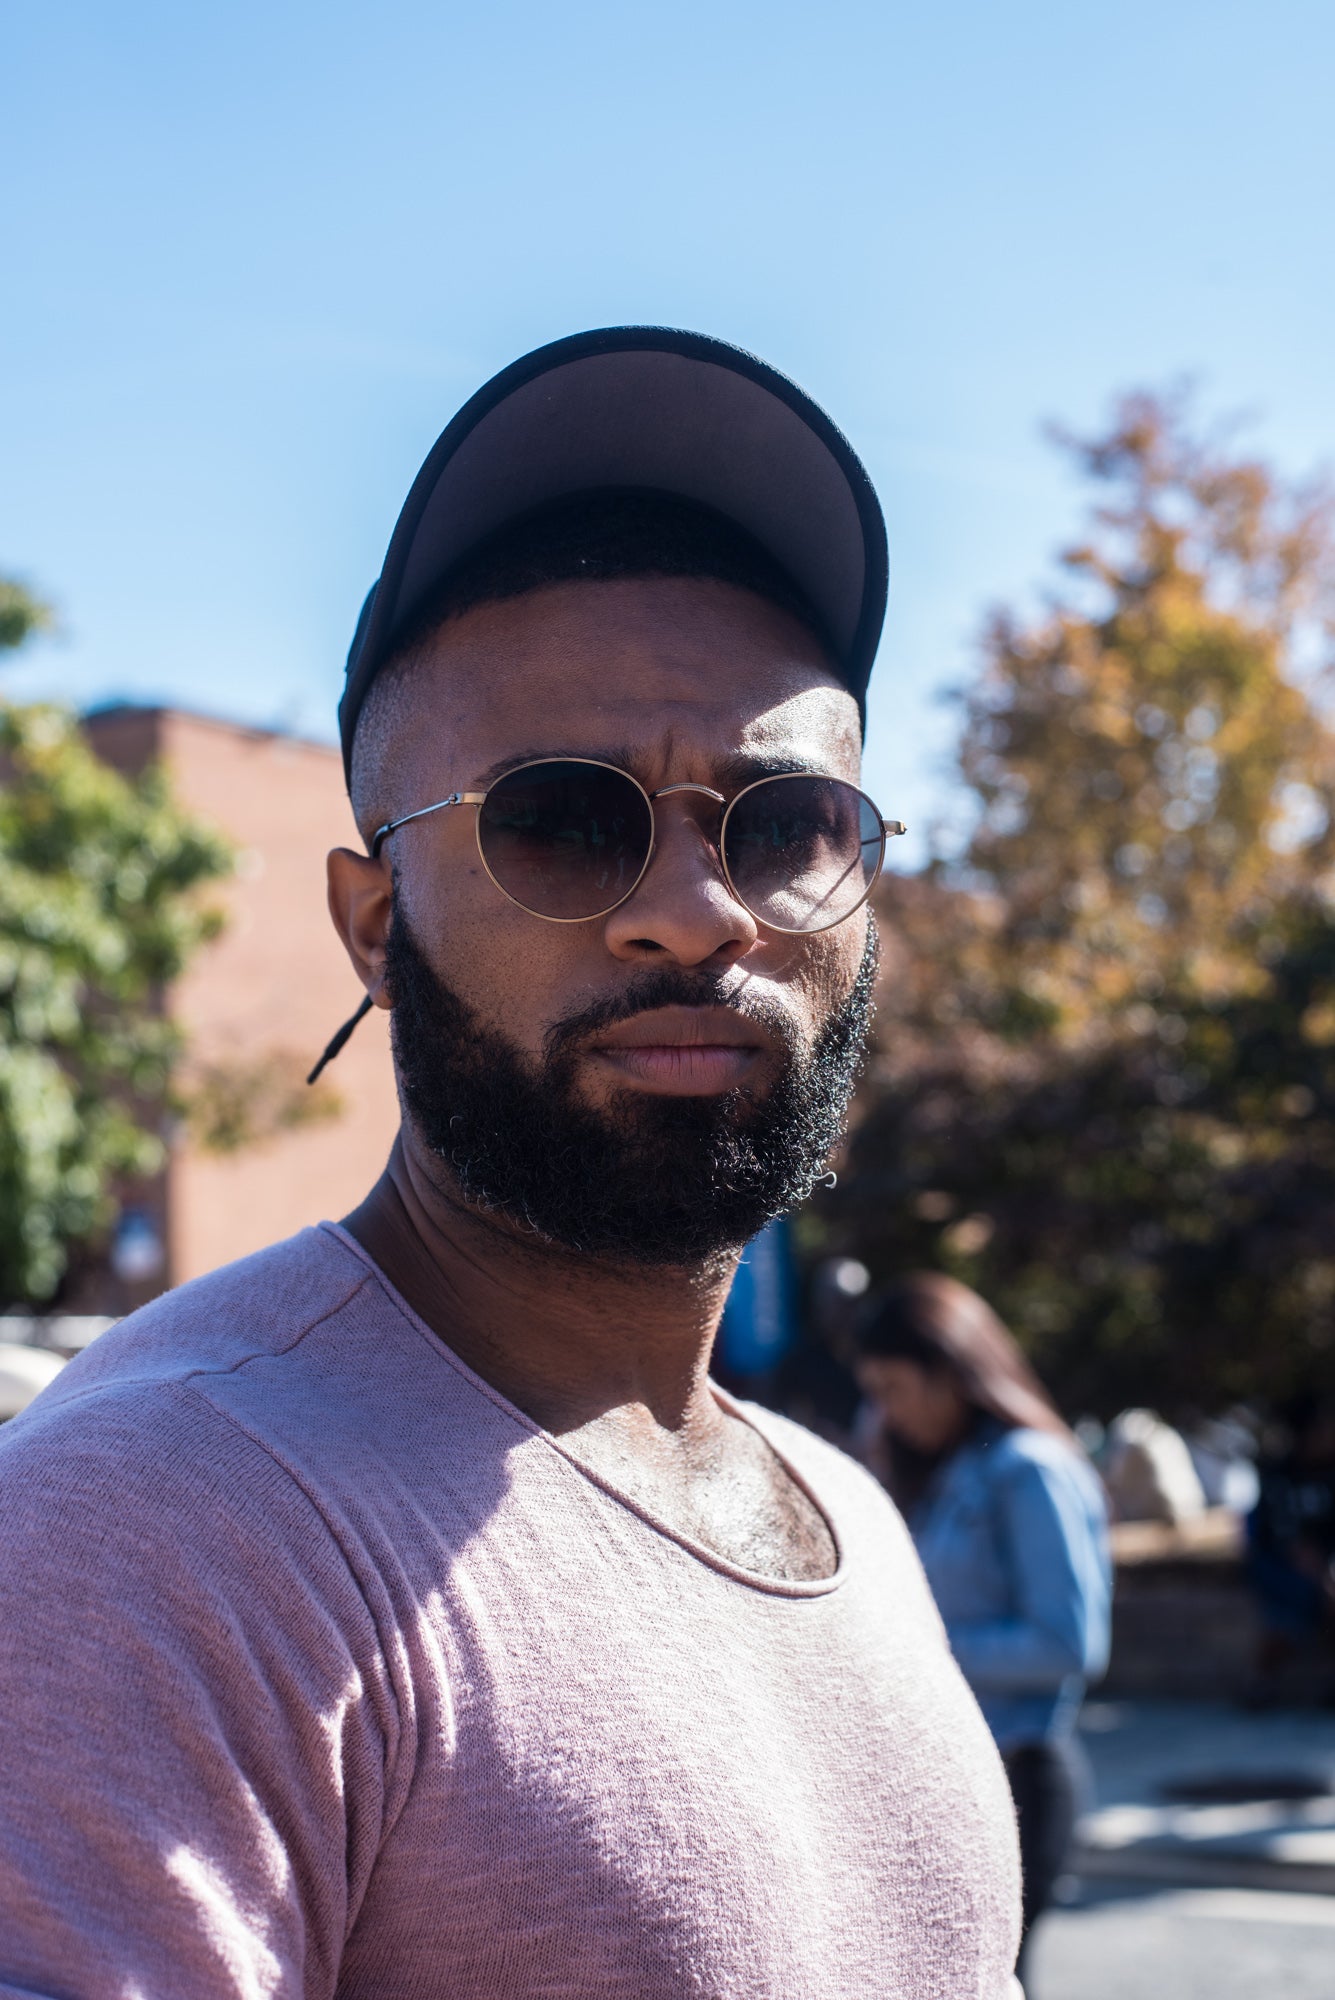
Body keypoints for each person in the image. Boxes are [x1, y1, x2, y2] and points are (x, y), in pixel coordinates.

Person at [0, 330, 1022, 1998]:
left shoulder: (845, 1512)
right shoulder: (168, 1522)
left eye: (782, 825)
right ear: (370, 924)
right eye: (560, 817)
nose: (698, 912)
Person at [856, 1272, 1110, 1984]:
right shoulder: (948, 1471)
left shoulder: (1029, 1471)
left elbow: (1069, 1644)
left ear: (949, 1372)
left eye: (892, 1390)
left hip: (1020, 1778)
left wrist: (917, 1655)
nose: (883, 1413)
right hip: (959, 1776)